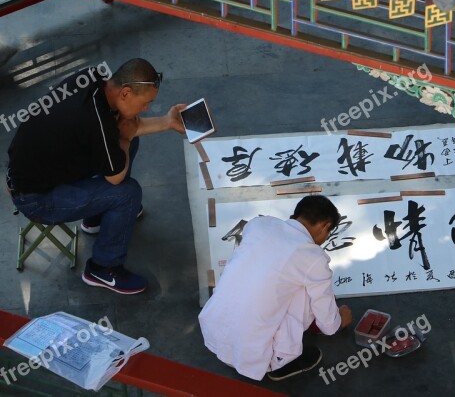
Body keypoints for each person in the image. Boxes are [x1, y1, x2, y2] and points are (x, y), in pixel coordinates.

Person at [6, 58, 186, 294]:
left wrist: (167, 121)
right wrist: (126, 138)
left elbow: (127, 129)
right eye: (145, 103)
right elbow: (116, 177)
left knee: (125, 146)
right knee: (128, 194)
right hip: (37, 198)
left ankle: (97, 218)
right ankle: (103, 268)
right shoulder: (97, 120)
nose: (145, 109)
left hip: (42, 168)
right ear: (126, 93)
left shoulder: (93, 80)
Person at [199, 195, 353, 381]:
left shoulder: (258, 224)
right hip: (253, 356)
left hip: (214, 334)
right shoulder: (312, 256)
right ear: (325, 226)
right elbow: (329, 326)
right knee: (307, 291)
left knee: (267, 278)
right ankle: (279, 361)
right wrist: (340, 320)